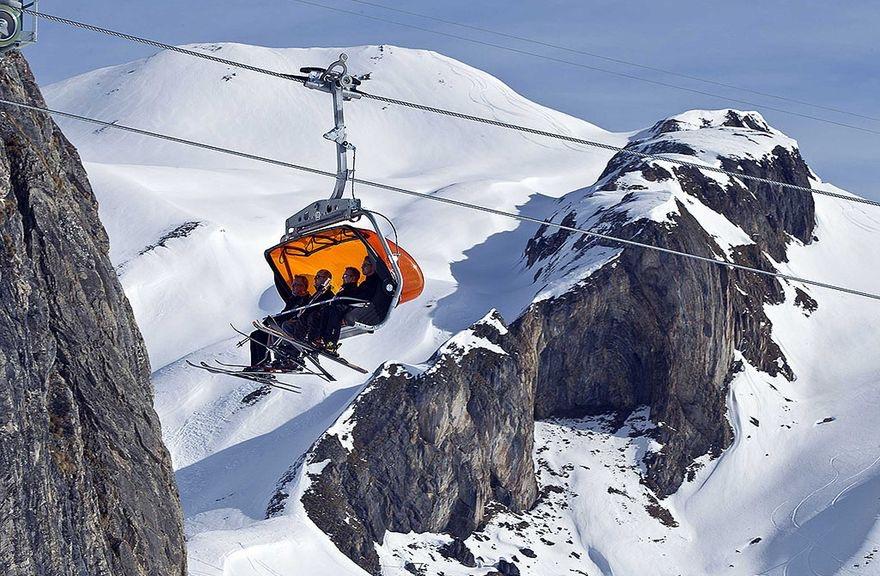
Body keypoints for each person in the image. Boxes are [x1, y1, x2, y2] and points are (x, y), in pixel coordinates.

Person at [248, 274, 310, 369]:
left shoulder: (306, 300)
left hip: (291, 327)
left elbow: (293, 315)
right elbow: (284, 314)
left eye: (296, 285)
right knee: (255, 335)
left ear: (303, 287)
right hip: (280, 326)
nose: (293, 287)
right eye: (292, 285)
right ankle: (257, 364)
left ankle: (266, 363)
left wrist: (273, 321)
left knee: (266, 333)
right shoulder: (293, 300)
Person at [282, 269, 335, 345]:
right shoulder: (318, 293)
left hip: (315, 322)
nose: (315, 279)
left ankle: (297, 345)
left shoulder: (327, 294)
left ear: (326, 279)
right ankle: (287, 347)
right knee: (287, 325)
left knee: (289, 325)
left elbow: (320, 309)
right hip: (306, 321)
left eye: (318, 277)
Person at [317, 266, 362, 353]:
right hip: (337, 308)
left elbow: (349, 301)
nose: (343, 278)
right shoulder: (344, 289)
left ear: (353, 278)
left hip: (343, 310)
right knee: (326, 311)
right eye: (343, 276)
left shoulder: (353, 289)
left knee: (333, 313)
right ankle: (321, 338)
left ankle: (331, 343)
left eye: (346, 276)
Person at [345, 256, 393, 327]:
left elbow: (364, 297)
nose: (362, 267)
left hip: (370, 314)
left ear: (373, 266)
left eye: (365, 265)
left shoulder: (374, 283)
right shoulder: (365, 283)